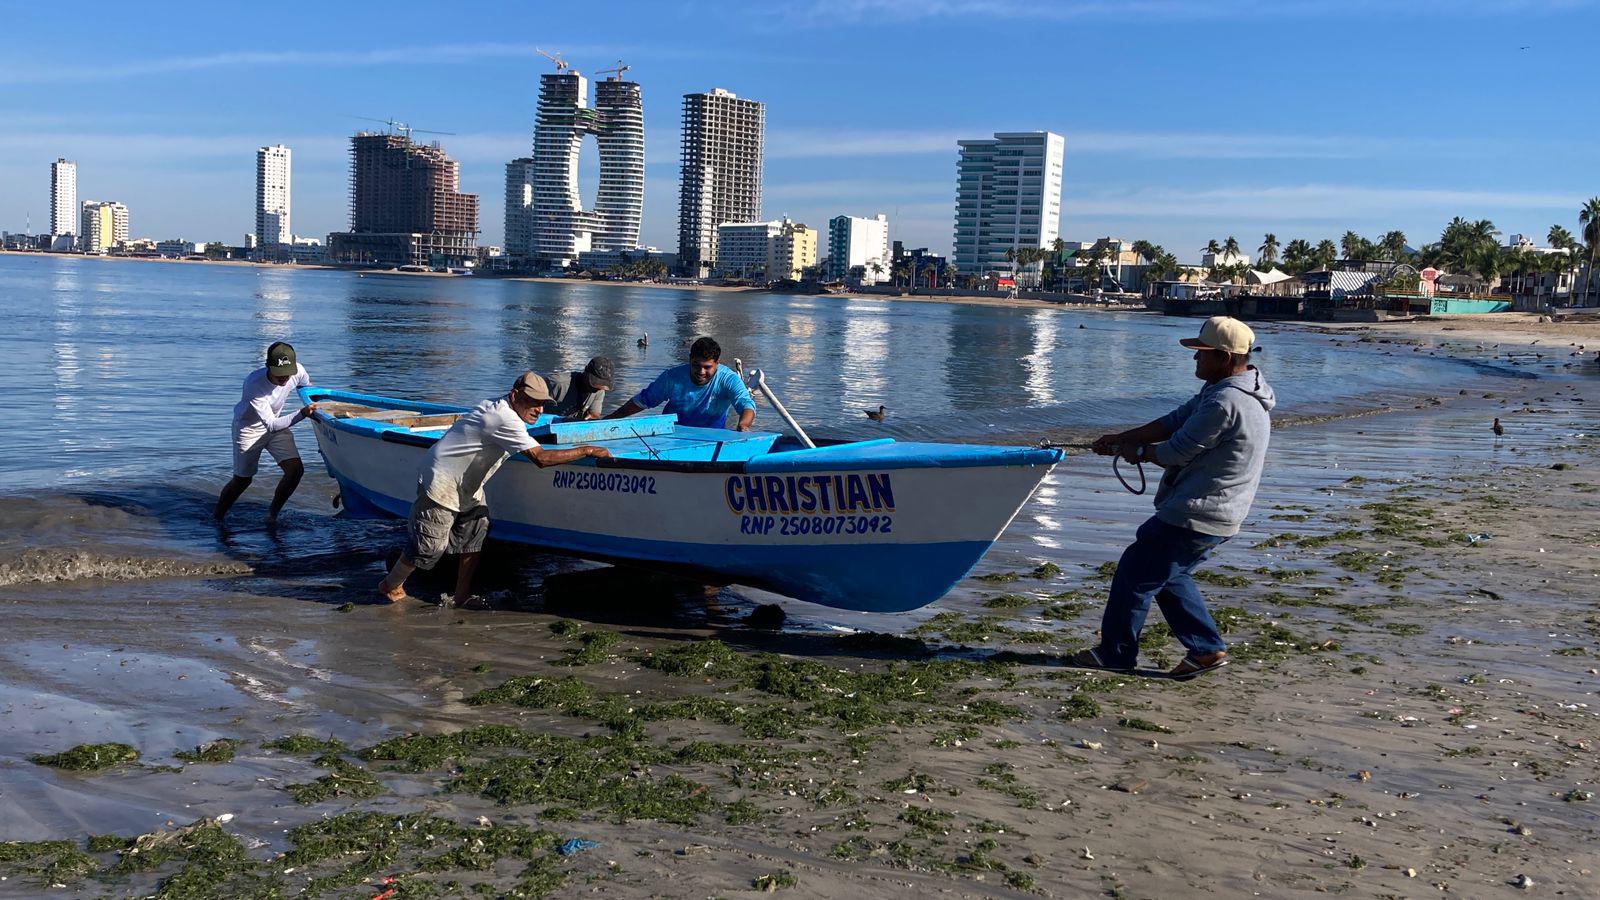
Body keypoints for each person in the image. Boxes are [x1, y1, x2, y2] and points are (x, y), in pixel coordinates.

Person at [1070, 316, 1275, 680]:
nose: (1195, 360)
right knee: (1166, 577)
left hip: (1200, 510)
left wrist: (1139, 452)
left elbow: (1177, 450)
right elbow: (1174, 421)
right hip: (1219, 510)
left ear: (1225, 357)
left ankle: (1116, 654)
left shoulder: (1225, 401)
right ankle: (1206, 650)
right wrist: (1121, 437)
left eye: (1201, 354)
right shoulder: (1236, 388)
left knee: (1135, 574)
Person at [379, 372, 612, 608]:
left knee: (475, 535)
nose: (539, 410)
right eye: (533, 402)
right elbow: (541, 458)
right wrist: (588, 450)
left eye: (542, 403)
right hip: (442, 480)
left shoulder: (507, 410)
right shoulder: (503, 418)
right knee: (429, 547)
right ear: (515, 395)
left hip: (468, 483)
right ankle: (391, 584)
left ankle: (461, 595)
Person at [215, 341, 316, 524]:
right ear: (268, 366)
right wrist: (303, 413)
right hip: (249, 430)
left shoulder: (298, 371)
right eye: (279, 374)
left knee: (295, 471)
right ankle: (217, 518)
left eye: (288, 372)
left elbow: (308, 388)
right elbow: (271, 425)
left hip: (277, 424)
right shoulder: (254, 384)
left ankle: (271, 516)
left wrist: (320, 408)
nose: (284, 378)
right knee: (243, 481)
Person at [605, 336, 755, 431]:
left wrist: (743, 425)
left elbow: (746, 405)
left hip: (712, 437)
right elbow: (643, 401)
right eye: (696, 365)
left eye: (707, 367)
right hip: (673, 436)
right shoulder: (672, 377)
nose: (701, 371)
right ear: (690, 360)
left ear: (717, 363)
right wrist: (610, 419)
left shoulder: (728, 379)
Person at [545, 356, 614, 421]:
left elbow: (594, 414)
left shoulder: (599, 390)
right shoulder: (558, 383)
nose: (596, 389)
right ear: (585, 372)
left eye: (601, 386)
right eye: (594, 385)